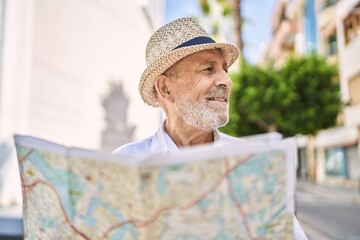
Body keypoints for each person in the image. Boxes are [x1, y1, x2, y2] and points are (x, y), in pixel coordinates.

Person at [113, 17, 308, 239]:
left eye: (224, 69)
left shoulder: (252, 163)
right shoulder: (125, 164)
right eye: (208, 69)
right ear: (165, 89)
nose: (226, 80)